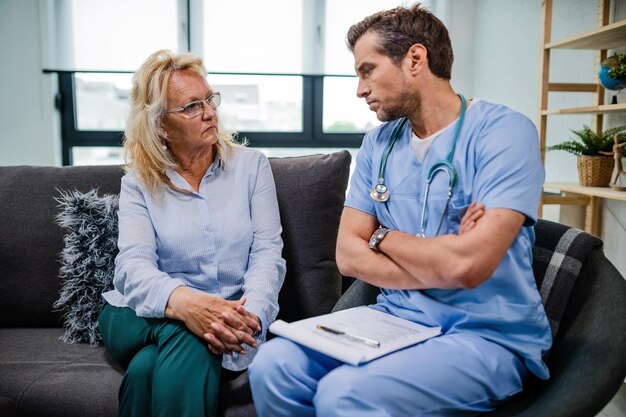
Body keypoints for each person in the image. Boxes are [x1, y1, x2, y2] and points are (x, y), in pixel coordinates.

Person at [248, 4, 552, 417]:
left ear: (415, 58)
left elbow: (468, 265)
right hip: (396, 319)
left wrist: (381, 237)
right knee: (272, 365)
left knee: (345, 394)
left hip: (484, 333)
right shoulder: (379, 143)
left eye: (367, 70)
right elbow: (347, 255)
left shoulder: (504, 133)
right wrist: (438, 260)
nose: (360, 89)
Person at [98, 49, 286, 417]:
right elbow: (132, 266)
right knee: (192, 328)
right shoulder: (138, 184)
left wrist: (254, 316)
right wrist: (187, 304)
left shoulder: (251, 167)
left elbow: (267, 252)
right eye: (191, 107)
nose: (210, 112)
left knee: (146, 369)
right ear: (160, 126)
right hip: (135, 314)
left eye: (209, 100)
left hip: (230, 313)